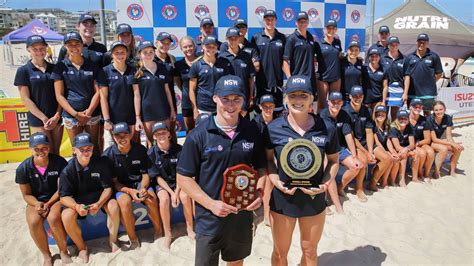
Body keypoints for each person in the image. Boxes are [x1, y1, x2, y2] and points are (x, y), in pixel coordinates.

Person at [177, 75, 266, 266]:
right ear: (215, 98)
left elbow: (262, 168)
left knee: (236, 261)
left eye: (236, 99)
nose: (231, 105)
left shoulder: (251, 130)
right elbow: (183, 178)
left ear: (244, 100)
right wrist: (211, 204)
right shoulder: (198, 135)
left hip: (241, 216)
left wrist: (259, 193)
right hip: (210, 218)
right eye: (225, 99)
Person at [264, 75, 339, 265]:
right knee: (280, 253)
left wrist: (325, 183)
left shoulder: (326, 127)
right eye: (293, 96)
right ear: (285, 99)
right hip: (283, 198)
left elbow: (333, 161)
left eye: (303, 96)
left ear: (312, 98)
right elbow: (268, 160)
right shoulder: (273, 128)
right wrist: (274, 180)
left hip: (313, 198)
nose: (298, 101)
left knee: (310, 252)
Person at [59, 132, 120, 263]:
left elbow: (108, 188)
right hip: (78, 202)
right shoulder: (68, 170)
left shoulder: (101, 163)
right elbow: (63, 197)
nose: (86, 152)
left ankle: (113, 240)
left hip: (99, 198)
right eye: (82, 149)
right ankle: (82, 248)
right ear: (74, 151)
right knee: (66, 216)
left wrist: (99, 203)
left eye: (89, 148)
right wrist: (76, 206)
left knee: (113, 205)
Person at [103, 122, 162, 248]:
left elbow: (146, 174)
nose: (122, 138)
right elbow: (114, 182)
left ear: (130, 135)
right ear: (113, 137)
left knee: (151, 198)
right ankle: (133, 238)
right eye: (118, 136)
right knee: (124, 203)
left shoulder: (140, 150)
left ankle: (158, 231)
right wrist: (130, 191)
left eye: (125, 135)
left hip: (140, 183)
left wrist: (142, 188)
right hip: (121, 187)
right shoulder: (108, 155)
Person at [16, 133, 71, 266]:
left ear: (49, 147)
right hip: (36, 200)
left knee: (53, 218)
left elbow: (61, 189)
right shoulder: (23, 168)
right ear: (30, 149)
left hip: (56, 198)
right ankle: (46, 255)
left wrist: (49, 203)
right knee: (34, 222)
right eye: (37, 148)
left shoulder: (59, 162)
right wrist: (37, 203)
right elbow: (26, 195)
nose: (41, 151)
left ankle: (63, 251)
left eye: (44, 147)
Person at [53, 32, 101, 154]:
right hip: (71, 115)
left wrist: (89, 112)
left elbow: (98, 91)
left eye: (77, 44)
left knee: (94, 147)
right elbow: (59, 95)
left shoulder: (92, 65)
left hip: (91, 113)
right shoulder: (60, 66)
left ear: (82, 45)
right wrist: (76, 114)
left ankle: (97, 173)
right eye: (70, 44)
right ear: (65, 47)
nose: (74, 47)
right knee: (76, 149)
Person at [148, 122, 195, 247]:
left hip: (179, 181)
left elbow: (182, 172)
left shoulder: (179, 150)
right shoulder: (151, 153)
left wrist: (177, 191)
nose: (161, 135)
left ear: (169, 134)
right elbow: (157, 178)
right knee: (163, 199)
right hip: (163, 184)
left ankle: (190, 228)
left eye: (163, 132)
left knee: (185, 197)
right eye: (157, 133)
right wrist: (171, 192)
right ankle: (168, 234)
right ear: (153, 137)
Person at [14, 35, 63, 155]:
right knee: (44, 153)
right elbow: (25, 99)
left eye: (41, 48)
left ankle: (57, 174)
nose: (39, 52)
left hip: (56, 118)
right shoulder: (24, 70)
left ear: (46, 48)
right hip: (38, 119)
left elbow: (61, 95)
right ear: (28, 49)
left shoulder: (55, 68)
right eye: (35, 49)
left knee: (56, 153)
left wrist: (56, 116)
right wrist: (44, 119)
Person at [320, 92, 362, 214]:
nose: (335, 104)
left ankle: (339, 189)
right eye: (333, 101)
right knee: (329, 172)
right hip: (325, 150)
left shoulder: (344, 115)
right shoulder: (323, 115)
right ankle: (330, 203)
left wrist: (354, 156)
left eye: (338, 102)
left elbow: (348, 135)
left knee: (356, 166)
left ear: (342, 103)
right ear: (328, 102)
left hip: (339, 148)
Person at [97, 41, 142, 150]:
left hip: (131, 116)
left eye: (122, 52)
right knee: (119, 147)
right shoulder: (105, 71)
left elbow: (136, 94)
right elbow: (103, 97)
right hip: (114, 117)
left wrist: (138, 117)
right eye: (116, 52)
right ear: (111, 54)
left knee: (134, 146)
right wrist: (107, 119)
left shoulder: (133, 69)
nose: (120, 55)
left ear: (127, 53)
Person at [135, 41, 176, 146]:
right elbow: (137, 96)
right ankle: (152, 162)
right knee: (151, 141)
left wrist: (172, 110)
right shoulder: (137, 71)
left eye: (151, 52)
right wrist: (138, 117)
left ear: (154, 53)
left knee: (167, 139)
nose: (148, 55)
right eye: (145, 52)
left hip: (163, 110)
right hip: (147, 112)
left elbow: (167, 91)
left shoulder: (163, 68)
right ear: (140, 54)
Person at [341, 85, 376, 202]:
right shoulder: (345, 111)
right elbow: (350, 136)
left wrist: (370, 152)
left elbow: (369, 132)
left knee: (387, 158)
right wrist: (366, 153)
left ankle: (373, 183)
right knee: (363, 161)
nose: (357, 98)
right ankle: (359, 189)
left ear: (363, 96)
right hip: (350, 143)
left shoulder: (366, 110)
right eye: (355, 96)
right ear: (350, 97)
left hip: (364, 142)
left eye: (360, 96)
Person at [250, 9, 286, 114]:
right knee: (261, 113)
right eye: (267, 20)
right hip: (261, 83)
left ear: (276, 21)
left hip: (277, 83)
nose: (270, 22)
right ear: (263, 21)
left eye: (272, 19)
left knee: (277, 112)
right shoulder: (256, 38)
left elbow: (285, 61)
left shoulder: (282, 38)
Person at [189, 36, 234, 117]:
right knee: (204, 129)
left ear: (217, 48)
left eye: (213, 46)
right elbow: (191, 89)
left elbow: (228, 86)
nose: (211, 49)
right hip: (203, 108)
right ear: (203, 47)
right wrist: (194, 109)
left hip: (221, 105)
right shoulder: (196, 65)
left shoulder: (223, 63)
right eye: (208, 46)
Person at [283, 11, 325, 97]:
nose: (302, 23)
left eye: (305, 21)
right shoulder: (291, 39)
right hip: (297, 80)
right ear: (296, 23)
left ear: (308, 22)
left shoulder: (311, 38)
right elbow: (285, 61)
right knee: (297, 106)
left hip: (310, 80)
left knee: (310, 106)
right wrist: (290, 79)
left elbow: (313, 57)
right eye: (300, 21)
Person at [219, 27, 256, 117]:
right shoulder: (221, 58)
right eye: (230, 39)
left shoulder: (246, 56)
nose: (233, 41)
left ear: (239, 39)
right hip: (227, 99)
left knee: (244, 127)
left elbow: (250, 79)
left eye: (235, 38)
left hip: (243, 98)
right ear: (226, 40)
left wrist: (250, 97)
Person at [252, 94, 275, 225]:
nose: (268, 109)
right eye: (265, 106)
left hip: (271, 158)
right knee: (267, 178)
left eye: (270, 106)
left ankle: (267, 213)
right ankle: (266, 214)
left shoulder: (278, 122)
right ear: (260, 107)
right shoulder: (254, 124)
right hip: (258, 159)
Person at [406, 33, 443, 115]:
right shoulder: (409, 57)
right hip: (413, 93)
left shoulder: (434, 56)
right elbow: (406, 75)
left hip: (428, 93)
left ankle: (428, 128)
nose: (421, 44)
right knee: (413, 114)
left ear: (427, 43)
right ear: (416, 42)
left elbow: (439, 73)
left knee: (427, 114)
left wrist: (430, 81)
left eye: (424, 42)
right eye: (420, 42)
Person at [428, 101, 464, 177]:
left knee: (457, 148)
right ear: (433, 111)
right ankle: (436, 172)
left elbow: (448, 136)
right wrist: (451, 143)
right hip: (429, 141)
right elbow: (434, 139)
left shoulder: (448, 118)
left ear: (444, 109)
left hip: (439, 140)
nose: (439, 112)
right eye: (436, 110)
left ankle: (452, 170)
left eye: (441, 109)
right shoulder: (429, 120)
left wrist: (454, 144)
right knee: (443, 149)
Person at [155, 32, 178, 141]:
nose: (165, 45)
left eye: (168, 43)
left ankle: (174, 155)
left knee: (171, 131)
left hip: (170, 100)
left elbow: (176, 79)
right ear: (156, 43)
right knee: (154, 133)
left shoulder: (172, 59)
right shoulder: (150, 58)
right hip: (153, 100)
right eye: (162, 42)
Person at [370, 104, 400, 188]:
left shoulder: (386, 126)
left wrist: (392, 151)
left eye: (382, 114)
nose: (380, 116)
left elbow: (388, 140)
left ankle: (388, 180)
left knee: (396, 158)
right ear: (375, 115)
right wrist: (386, 153)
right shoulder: (373, 126)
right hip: (375, 147)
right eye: (378, 114)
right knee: (389, 158)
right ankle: (380, 181)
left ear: (386, 115)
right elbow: (376, 142)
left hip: (383, 148)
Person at [174, 36, 200, 132]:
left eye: (190, 46)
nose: (188, 49)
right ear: (181, 49)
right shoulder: (178, 65)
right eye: (185, 47)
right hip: (187, 102)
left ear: (194, 46)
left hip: (202, 102)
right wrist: (187, 91)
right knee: (190, 130)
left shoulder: (202, 61)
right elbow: (178, 82)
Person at [381, 36, 410, 120]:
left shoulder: (404, 59)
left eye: (396, 45)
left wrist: (405, 93)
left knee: (395, 116)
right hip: (385, 90)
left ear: (399, 45)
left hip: (398, 91)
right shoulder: (382, 58)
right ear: (388, 45)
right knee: (383, 115)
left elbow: (407, 77)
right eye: (391, 45)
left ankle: (393, 132)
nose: (394, 47)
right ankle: (384, 132)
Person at [318, 19, 343, 111]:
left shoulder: (337, 42)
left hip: (336, 78)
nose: (331, 30)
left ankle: (333, 123)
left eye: (333, 28)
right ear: (324, 29)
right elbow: (314, 59)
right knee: (322, 105)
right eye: (329, 28)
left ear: (336, 30)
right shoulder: (319, 43)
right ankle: (320, 124)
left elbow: (340, 56)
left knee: (335, 104)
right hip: (323, 78)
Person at [390, 110, 419, 186]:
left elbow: (412, 144)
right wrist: (406, 151)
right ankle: (401, 178)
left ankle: (415, 177)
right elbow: (396, 147)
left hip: (405, 149)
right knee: (404, 155)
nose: (403, 120)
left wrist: (407, 149)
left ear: (408, 119)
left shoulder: (410, 127)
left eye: (405, 118)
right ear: (397, 119)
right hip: (394, 150)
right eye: (400, 118)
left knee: (416, 153)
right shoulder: (393, 128)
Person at [409, 99, 435, 182]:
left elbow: (427, 139)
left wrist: (418, 143)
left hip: (420, 142)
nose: (417, 108)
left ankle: (426, 174)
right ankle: (419, 174)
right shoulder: (404, 118)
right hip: (409, 143)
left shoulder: (424, 120)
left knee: (430, 152)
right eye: (415, 106)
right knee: (422, 153)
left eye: (419, 107)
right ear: (410, 107)